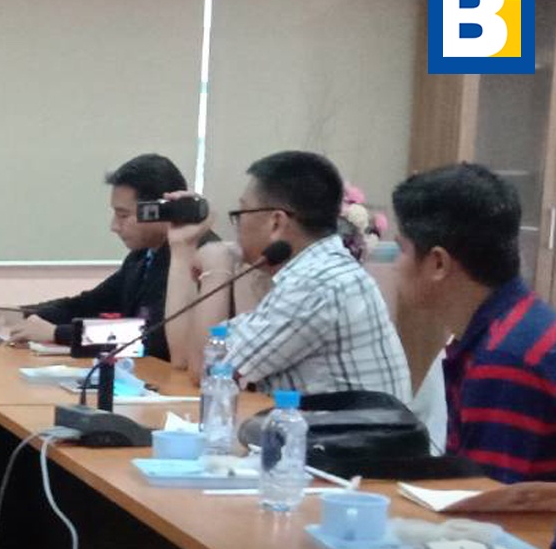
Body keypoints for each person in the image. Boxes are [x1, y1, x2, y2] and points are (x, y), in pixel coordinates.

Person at [391, 163, 556, 522]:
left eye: (402, 250)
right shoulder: (515, 324)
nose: (396, 265)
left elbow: (482, 517)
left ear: (438, 263)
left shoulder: (508, 357)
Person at [165, 150, 410, 398]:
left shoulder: (317, 283)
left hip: (347, 424)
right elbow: (189, 357)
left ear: (276, 222)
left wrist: (217, 268)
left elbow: (208, 370)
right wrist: (184, 247)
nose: (238, 227)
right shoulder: (320, 270)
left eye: (241, 214)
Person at [0, 153, 196, 362]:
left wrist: (57, 333)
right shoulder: (142, 258)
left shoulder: (194, 258)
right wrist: (13, 314)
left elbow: (153, 337)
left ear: (160, 210)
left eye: (123, 215)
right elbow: (88, 305)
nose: (114, 226)